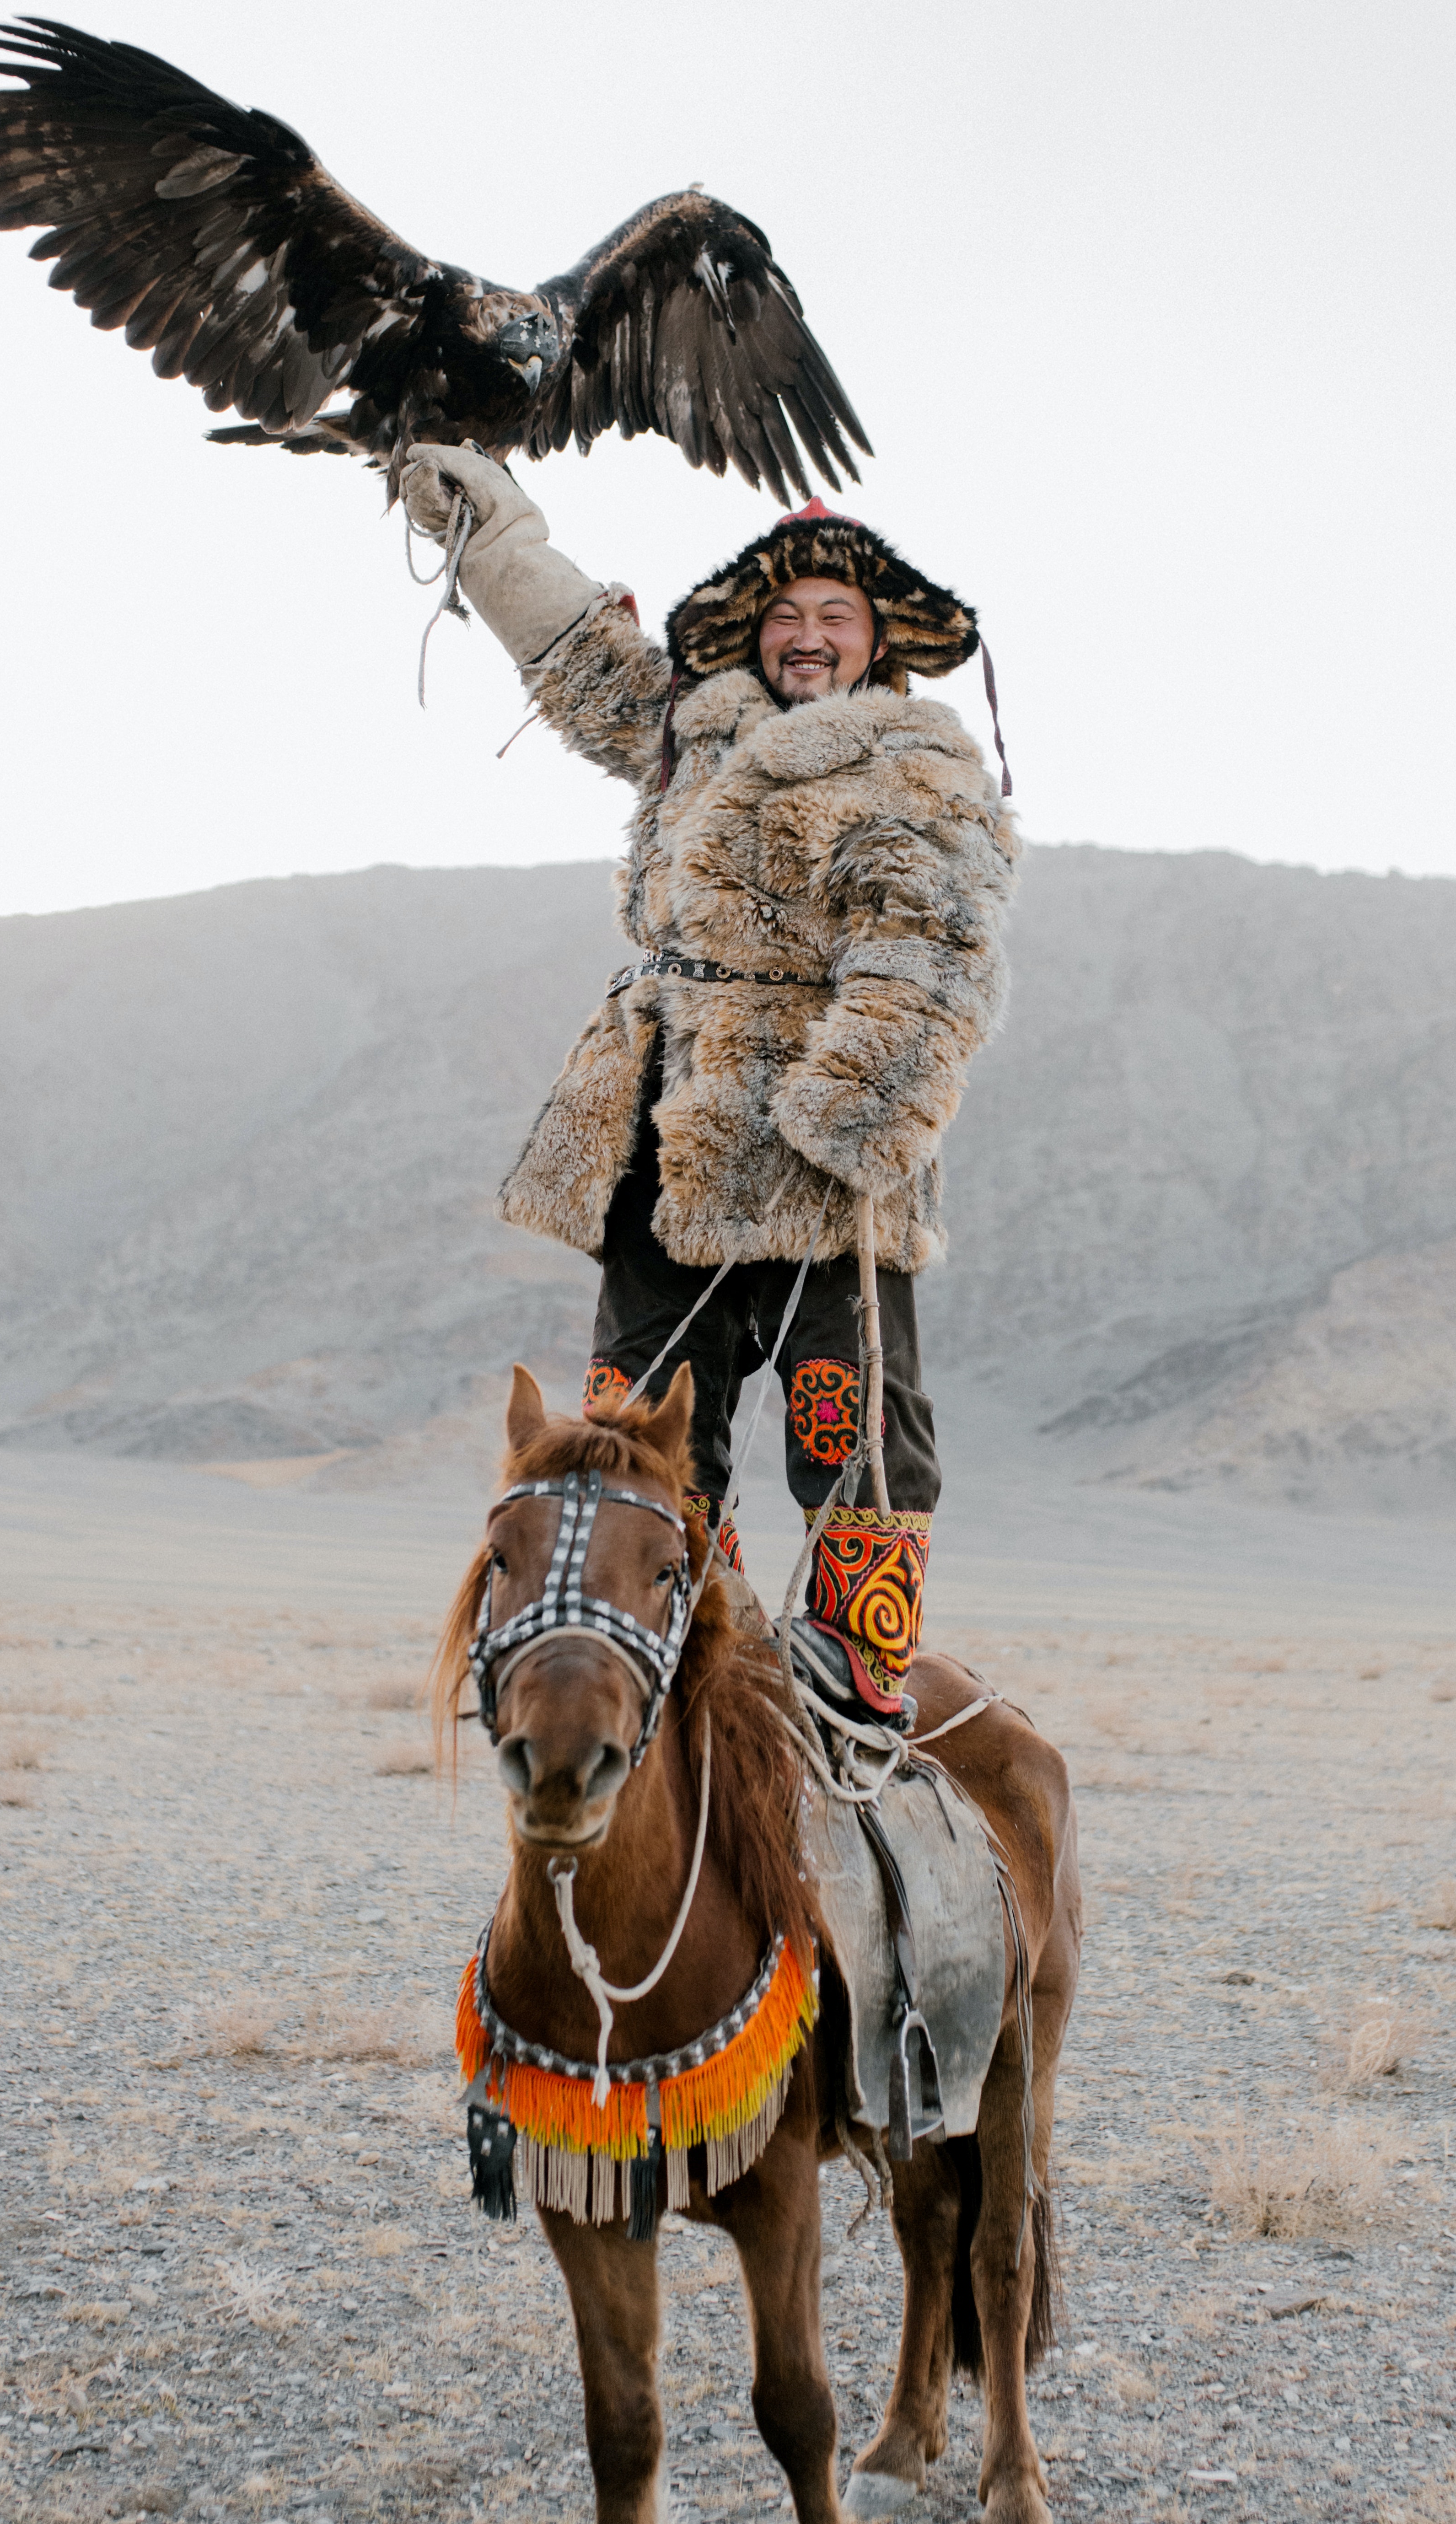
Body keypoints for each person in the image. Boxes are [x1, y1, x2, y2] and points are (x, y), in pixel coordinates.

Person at [403, 441, 1016, 1734]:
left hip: (819, 1144)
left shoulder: (917, 762)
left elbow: (932, 942)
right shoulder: (692, 731)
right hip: (665, 1128)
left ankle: (857, 1663)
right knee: (638, 1423)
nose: (804, 634)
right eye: (784, 615)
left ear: (874, 643)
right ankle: (686, 1631)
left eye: (832, 617)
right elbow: (576, 654)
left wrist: (850, 1115)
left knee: (849, 1417)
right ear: (754, 631)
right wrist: (488, 522)